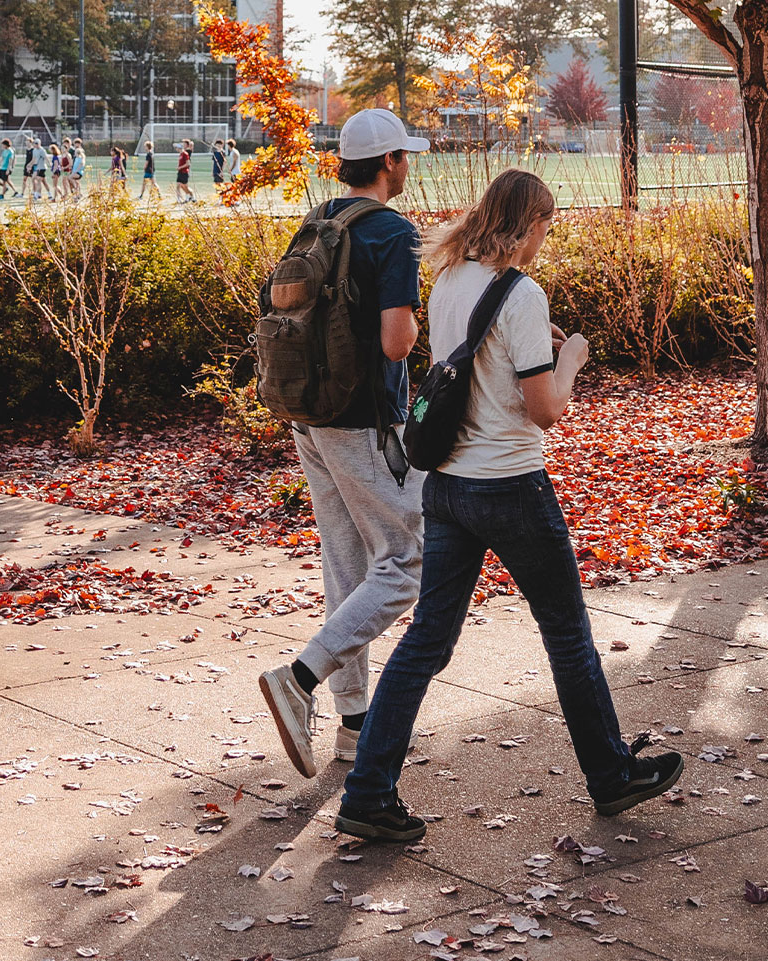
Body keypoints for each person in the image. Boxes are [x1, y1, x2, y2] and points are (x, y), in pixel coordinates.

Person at [334, 168, 687, 842]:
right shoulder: (522, 293)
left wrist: (534, 352)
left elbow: (474, 374)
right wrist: (573, 358)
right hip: (513, 489)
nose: (544, 240)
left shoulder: (449, 282)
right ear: (527, 225)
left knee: (425, 641)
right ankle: (611, 775)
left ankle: (368, 788)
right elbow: (544, 409)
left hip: (449, 489)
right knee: (567, 636)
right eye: (545, 227)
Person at [258, 108, 430, 782]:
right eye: (404, 156)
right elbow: (395, 341)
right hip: (364, 420)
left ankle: (354, 727)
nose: (408, 166)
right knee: (408, 559)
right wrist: (417, 327)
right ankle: (299, 677)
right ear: (388, 163)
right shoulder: (393, 232)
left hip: (309, 418)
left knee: (347, 566)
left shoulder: (318, 220)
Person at [24, 136, 47, 202]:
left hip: (41, 167)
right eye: (35, 143)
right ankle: (38, 193)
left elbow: (46, 157)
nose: (35, 145)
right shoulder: (34, 150)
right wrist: (29, 164)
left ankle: (37, 194)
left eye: (37, 143)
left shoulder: (42, 150)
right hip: (37, 167)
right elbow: (34, 159)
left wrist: (50, 164)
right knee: (35, 179)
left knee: (39, 180)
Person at [174, 139, 195, 203]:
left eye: (177, 148)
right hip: (180, 172)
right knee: (178, 186)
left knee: (185, 187)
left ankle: (192, 196)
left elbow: (188, 163)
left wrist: (180, 167)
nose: (176, 149)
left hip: (184, 172)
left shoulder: (185, 153)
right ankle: (179, 199)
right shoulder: (180, 154)